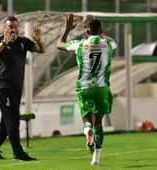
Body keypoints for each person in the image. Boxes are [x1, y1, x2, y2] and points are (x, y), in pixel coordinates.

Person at [57, 14, 116, 165]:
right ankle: (95, 158)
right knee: (99, 123)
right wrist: (98, 28)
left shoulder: (80, 44)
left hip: (84, 87)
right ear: (101, 30)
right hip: (102, 88)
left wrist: (67, 29)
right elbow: (107, 38)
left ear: (87, 32)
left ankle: (87, 129)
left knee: (87, 118)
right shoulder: (108, 44)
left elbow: (60, 44)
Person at [0, 16, 45, 161]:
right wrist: (4, 42)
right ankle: (18, 152)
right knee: (13, 119)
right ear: (4, 28)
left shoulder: (23, 42)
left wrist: (38, 39)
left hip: (16, 88)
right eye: (10, 26)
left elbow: (41, 50)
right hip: (3, 87)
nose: (13, 29)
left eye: (15, 26)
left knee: (6, 121)